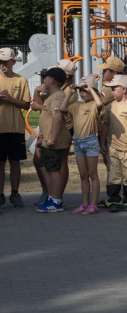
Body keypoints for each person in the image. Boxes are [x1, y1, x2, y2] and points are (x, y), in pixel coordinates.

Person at [59, 75, 103, 215]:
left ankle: (93, 204)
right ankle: (84, 204)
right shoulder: (76, 105)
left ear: (93, 91)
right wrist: (70, 93)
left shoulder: (94, 105)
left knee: (92, 174)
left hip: (90, 141)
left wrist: (91, 89)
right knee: (83, 175)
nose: (82, 93)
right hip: (78, 141)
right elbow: (62, 108)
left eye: (85, 91)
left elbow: (100, 104)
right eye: (80, 91)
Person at [100, 74, 127, 212]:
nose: (111, 92)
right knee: (113, 175)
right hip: (113, 147)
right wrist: (102, 143)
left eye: (114, 89)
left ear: (124, 89)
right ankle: (113, 200)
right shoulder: (111, 105)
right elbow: (105, 125)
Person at [33, 67, 73, 213]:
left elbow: (57, 117)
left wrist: (52, 138)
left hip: (55, 141)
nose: (43, 80)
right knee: (47, 167)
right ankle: (51, 197)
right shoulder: (52, 96)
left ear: (52, 80)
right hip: (48, 140)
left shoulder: (56, 97)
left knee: (54, 168)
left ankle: (56, 202)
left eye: (45, 77)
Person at [0, 47, 31, 210]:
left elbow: (26, 105)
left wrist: (10, 99)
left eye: (5, 62)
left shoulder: (21, 80)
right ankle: (0, 195)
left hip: (15, 128)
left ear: (13, 62)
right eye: (0, 62)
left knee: (15, 162)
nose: (2, 65)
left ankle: (15, 193)